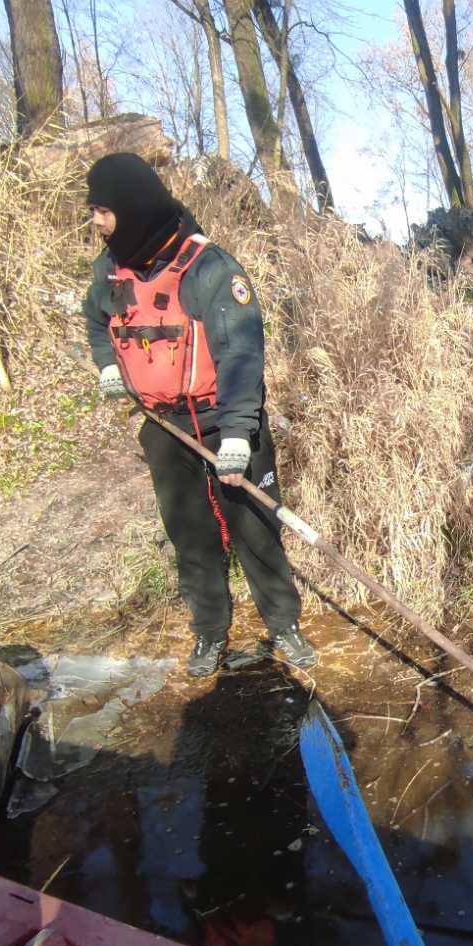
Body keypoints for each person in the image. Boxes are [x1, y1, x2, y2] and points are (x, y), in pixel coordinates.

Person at [82, 153, 317, 678]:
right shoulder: (111, 266)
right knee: (189, 534)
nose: (96, 221)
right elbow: (97, 320)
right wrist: (107, 365)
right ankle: (210, 632)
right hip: (164, 426)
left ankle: (284, 624)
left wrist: (236, 434)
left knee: (256, 527)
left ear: (131, 206)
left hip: (224, 420)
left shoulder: (210, 268)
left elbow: (241, 354)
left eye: (102, 209)